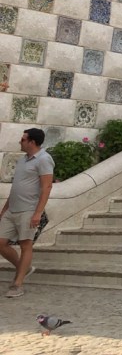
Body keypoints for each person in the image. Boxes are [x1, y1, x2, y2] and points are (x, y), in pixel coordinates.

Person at [0, 128, 53, 298]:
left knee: (25, 245)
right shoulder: (23, 160)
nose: (20, 141)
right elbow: (17, 187)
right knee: (1, 242)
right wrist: (4, 210)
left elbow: (47, 187)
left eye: (23, 139)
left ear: (32, 142)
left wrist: (38, 213)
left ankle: (18, 284)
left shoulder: (44, 159)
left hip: (29, 209)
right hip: (12, 208)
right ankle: (24, 268)